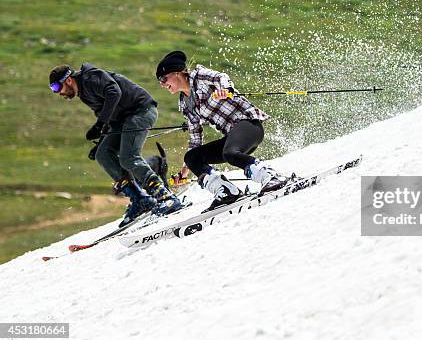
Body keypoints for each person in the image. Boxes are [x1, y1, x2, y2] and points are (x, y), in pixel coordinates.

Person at [49, 63, 184, 226]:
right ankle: (140, 199)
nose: (57, 93)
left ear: (68, 80)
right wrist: (101, 141)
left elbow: (114, 92)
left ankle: (166, 197)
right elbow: (111, 116)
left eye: (57, 87)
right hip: (122, 121)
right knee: (103, 154)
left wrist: (99, 124)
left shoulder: (90, 77)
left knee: (128, 158)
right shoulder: (84, 93)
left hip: (140, 111)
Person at [156, 50, 288, 211]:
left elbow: (221, 77)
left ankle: (271, 177)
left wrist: (225, 90)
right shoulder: (185, 104)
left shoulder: (199, 76)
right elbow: (195, 138)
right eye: (159, 81)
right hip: (232, 136)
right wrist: (185, 172)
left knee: (229, 153)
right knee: (192, 157)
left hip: (249, 125)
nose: (162, 84)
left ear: (177, 73)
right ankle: (226, 191)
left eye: (163, 79)